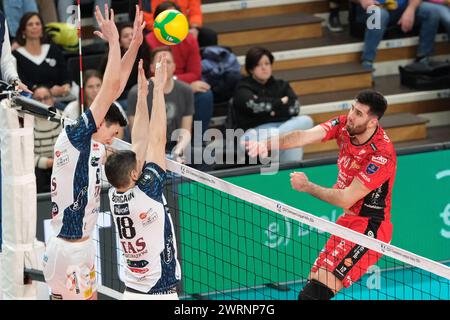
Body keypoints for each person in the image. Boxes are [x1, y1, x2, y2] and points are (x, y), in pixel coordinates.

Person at [246, 90, 397, 299]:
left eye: (359, 113)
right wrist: (266, 144)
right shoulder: (345, 125)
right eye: (352, 108)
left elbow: (346, 198)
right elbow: (303, 136)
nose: (351, 115)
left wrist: (308, 186)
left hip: (370, 227)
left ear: (372, 122)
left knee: (312, 295)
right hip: (348, 221)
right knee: (312, 284)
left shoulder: (381, 154)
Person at [42, 4, 145, 300]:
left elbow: (117, 86)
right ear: (100, 123)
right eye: (113, 131)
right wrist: (113, 43)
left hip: (78, 246)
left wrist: (135, 44)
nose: (114, 138)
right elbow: (111, 87)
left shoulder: (92, 142)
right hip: (70, 248)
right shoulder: (77, 135)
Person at [105, 55, 181, 300]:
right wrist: (158, 89)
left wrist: (141, 95)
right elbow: (157, 138)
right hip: (159, 293)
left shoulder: (114, 192)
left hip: (132, 292)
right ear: (135, 173)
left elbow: (139, 142)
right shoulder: (147, 190)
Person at [234, 47, 313, 163]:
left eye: (267, 63)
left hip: (283, 126)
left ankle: (289, 172)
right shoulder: (243, 87)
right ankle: (279, 143)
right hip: (254, 134)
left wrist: (269, 108)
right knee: (291, 138)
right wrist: (280, 102)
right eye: (258, 64)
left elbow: (295, 107)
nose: (264, 67)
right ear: (251, 69)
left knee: (307, 120)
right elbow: (254, 107)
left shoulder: (282, 85)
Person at [146, 1, 214, 137]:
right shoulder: (148, 41)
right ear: (158, 22)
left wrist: (176, 82)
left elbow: (195, 74)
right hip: (156, 87)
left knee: (205, 95)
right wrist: (173, 82)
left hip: (182, 86)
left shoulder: (189, 39)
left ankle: (198, 141)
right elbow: (149, 72)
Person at [127, 46, 193, 163]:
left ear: (174, 66)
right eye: (160, 62)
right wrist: (155, 153)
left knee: (204, 157)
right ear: (152, 67)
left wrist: (178, 151)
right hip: (148, 147)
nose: (164, 65)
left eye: (167, 62)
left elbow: (185, 131)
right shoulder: (138, 91)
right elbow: (137, 134)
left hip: (174, 146)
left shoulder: (186, 90)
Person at [356, 0, 441, 69]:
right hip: (374, 6)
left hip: (402, 7)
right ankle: (367, 61)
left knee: (432, 12)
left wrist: (410, 9)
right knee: (378, 14)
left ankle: (423, 58)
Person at [12, 12, 73, 101]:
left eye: (37, 24)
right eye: (30, 24)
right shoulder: (16, 55)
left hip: (60, 98)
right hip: (33, 101)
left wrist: (66, 86)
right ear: (23, 30)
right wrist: (48, 92)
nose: (34, 27)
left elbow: (66, 76)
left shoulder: (53, 49)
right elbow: (21, 82)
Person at [99, 23, 151, 111]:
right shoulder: (112, 57)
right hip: (121, 97)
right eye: (126, 36)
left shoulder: (145, 54)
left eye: (133, 35)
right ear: (120, 42)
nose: (130, 38)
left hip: (143, 93)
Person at [65, 69, 127, 139]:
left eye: (98, 85)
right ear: (83, 89)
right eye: (90, 87)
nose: (95, 90)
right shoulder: (71, 109)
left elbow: (119, 134)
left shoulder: (115, 106)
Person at [32, 85, 65, 193]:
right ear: (32, 102)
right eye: (38, 99)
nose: (43, 102)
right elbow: (26, 156)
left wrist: (58, 161)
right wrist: (47, 162)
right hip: (37, 168)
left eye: (46, 98)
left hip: (61, 164)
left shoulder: (63, 118)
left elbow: (69, 147)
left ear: (52, 99)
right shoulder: (27, 122)